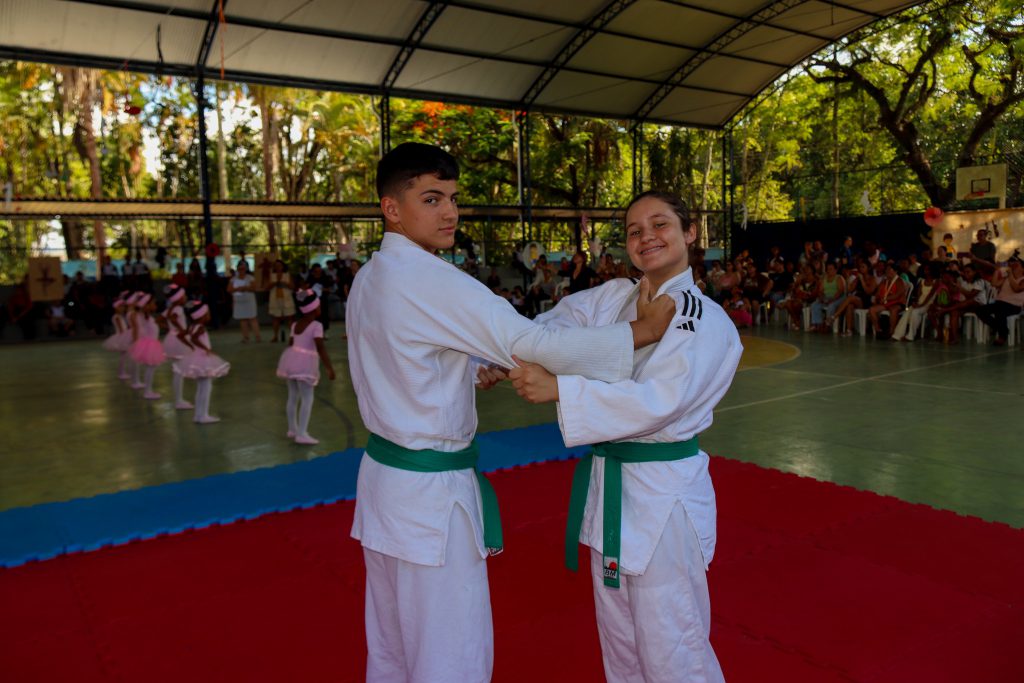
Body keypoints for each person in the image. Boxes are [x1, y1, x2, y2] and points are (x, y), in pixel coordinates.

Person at [345, 142, 675, 683]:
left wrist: (469, 365)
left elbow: (407, 359)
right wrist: (642, 331)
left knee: (391, 648)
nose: (449, 212)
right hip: (430, 502)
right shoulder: (431, 279)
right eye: (431, 199)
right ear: (391, 208)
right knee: (450, 654)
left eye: (453, 198)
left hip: (384, 487)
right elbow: (537, 342)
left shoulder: (371, 276)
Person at [509, 190, 741, 683]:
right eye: (635, 231)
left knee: (673, 646)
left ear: (690, 233)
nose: (646, 237)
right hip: (610, 489)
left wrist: (560, 387)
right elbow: (547, 330)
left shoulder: (702, 317)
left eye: (660, 225)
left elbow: (659, 402)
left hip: (663, 497)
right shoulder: (612, 297)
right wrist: (508, 357)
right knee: (621, 643)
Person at [275, 289, 336, 444]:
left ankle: (292, 429)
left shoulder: (295, 324)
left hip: (291, 362)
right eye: (319, 305)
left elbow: (291, 343)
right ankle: (301, 434)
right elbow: (320, 347)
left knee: (292, 397)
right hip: (305, 366)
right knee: (307, 399)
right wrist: (329, 368)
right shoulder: (316, 326)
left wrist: (291, 358)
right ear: (315, 308)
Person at [174, 301, 231, 423]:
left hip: (196, 356)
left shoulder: (191, 326)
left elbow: (180, 335)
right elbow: (194, 338)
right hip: (203, 357)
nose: (209, 315)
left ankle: (198, 415)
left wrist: (192, 346)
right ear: (201, 315)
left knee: (201, 387)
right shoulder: (200, 327)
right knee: (206, 387)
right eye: (207, 313)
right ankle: (203, 415)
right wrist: (205, 349)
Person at [974, 253, 1024, 346]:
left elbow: (1016, 288)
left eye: (1016, 265)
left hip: (1014, 306)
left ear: (1023, 269)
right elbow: (994, 284)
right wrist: (997, 270)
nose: (1013, 266)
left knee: (1000, 311)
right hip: (1000, 303)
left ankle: (1002, 336)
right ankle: (1002, 329)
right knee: (979, 310)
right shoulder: (1007, 278)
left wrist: (1010, 274)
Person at [159, 284, 193, 409]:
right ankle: (178, 400)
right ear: (178, 298)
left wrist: (170, 328)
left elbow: (159, 320)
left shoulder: (169, 308)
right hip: (179, 339)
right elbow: (173, 319)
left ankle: (178, 399)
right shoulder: (178, 308)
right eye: (184, 295)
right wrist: (180, 329)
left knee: (177, 371)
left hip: (172, 337)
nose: (186, 297)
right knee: (179, 371)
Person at [128, 292, 166, 400]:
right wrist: (136, 344)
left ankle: (148, 389)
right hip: (149, 345)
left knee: (151, 368)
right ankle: (148, 391)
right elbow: (137, 330)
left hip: (151, 343)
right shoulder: (140, 316)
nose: (155, 305)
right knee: (151, 368)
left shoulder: (147, 316)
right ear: (146, 305)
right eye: (153, 303)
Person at [868, 263, 907, 340]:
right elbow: (878, 293)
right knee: (872, 309)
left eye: (889, 269)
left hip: (898, 302)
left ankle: (892, 332)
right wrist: (878, 298)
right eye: (887, 269)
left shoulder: (899, 281)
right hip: (887, 303)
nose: (887, 271)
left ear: (895, 271)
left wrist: (886, 298)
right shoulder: (884, 281)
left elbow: (898, 295)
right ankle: (878, 330)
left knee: (893, 309)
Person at [228, 259, 261, 342]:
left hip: (249, 300)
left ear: (246, 269)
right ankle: (246, 337)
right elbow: (229, 289)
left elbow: (254, 288)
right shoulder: (233, 279)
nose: (241, 270)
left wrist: (245, 288)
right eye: (240, 269)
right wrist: (237, 289)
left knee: (252, 318)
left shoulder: (250, 278)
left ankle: (257, 336)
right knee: (242, 319)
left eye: (243, 269)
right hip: (239, 301)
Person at [102, 293, 133, 379]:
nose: (123, 309)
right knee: (124, 356)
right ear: (116, 308)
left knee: (125, 356)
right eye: (120, 307)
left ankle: (123, 372)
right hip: (121, 337)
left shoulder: (120, 316)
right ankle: (121, 373)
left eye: (123, 307)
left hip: (123, 336)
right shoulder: (117, 317)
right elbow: (121, 329)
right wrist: (127, 337)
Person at [266, 259, 296, 343]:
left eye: (279, 265)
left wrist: (285, 283)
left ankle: (292, 337)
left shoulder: (287, 275)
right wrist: (275, 282)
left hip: (286, 298)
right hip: (275, 298)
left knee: (290, 317)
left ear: (283, 266)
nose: (278, 267)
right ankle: (275, 336)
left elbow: (292, 286)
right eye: (276, 266)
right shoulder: (272, 275)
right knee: (276, 318)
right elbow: (267, 287)